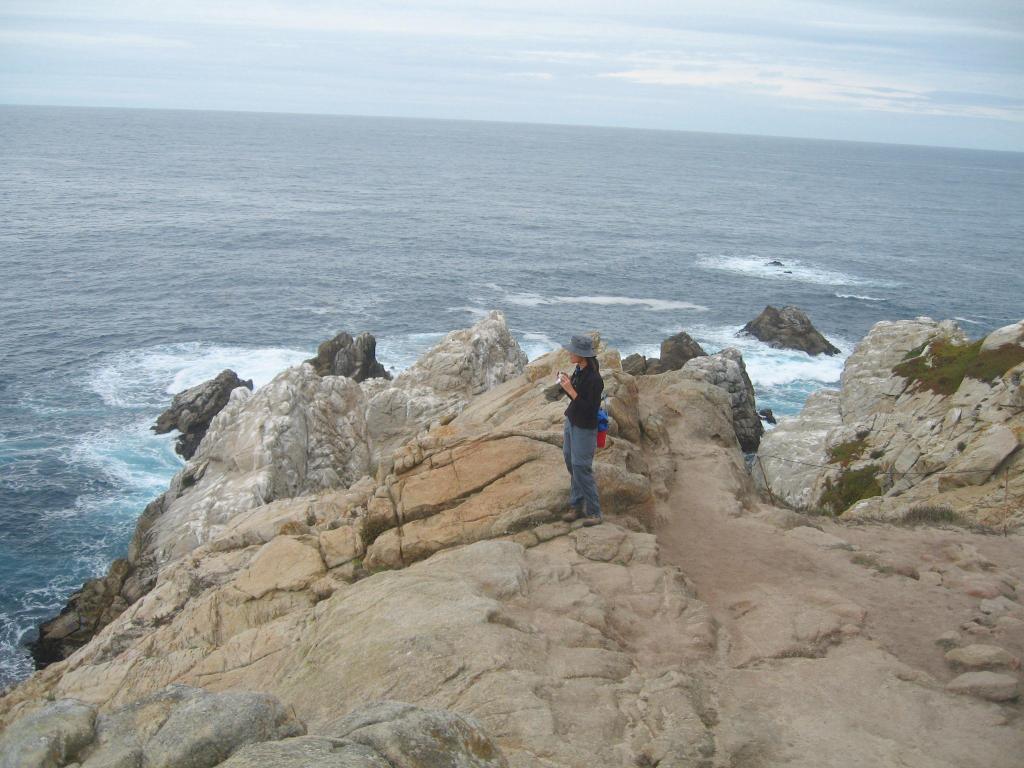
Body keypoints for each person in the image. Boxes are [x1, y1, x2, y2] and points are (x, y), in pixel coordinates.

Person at [555, 334, 604, 525]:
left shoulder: (595, 379)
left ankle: (594, 512)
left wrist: (572, 390)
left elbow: (590, 409)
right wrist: (566, 385)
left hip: (585, 426)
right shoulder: (579, 369)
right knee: (569, 459)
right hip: (572, 421)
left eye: (573, 351)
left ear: (582, 355)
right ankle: (576, 505)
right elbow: (575, 399)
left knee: (581, 467)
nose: (569, 353)